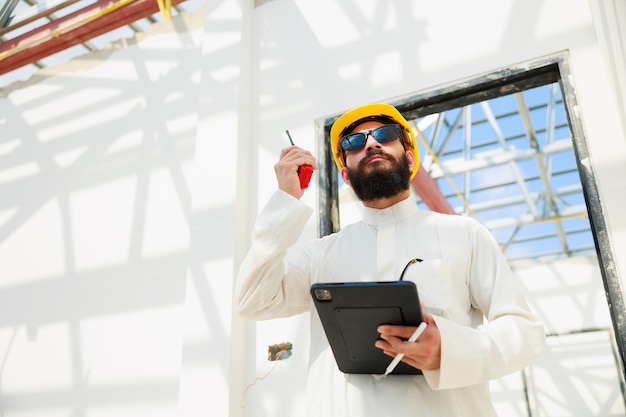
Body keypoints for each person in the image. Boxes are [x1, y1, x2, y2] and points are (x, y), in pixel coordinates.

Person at [236, 102, 545, 417]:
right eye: (353, 143)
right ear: (345, 174)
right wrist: (285, 202)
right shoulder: (321, 253)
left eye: (385, 134)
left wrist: (449, 350)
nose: (371, 143)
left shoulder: (464, 234)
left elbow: (524, 331)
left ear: (409, 157)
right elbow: (253, 300)